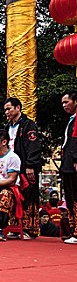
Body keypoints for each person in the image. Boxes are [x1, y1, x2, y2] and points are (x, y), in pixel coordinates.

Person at [4, 97, 42, 238]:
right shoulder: (7, 127)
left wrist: (31, 165)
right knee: (14, 196)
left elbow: (33, 146)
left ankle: (30, 230)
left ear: (18, 108)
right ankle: (15, 228)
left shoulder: (28, 125)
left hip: (26, 167)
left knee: (29, 197)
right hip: (13, 168)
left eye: (9, 109)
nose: (7, 112)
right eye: (5, 110)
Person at [60, 90, 77, 244]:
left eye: (67, 102)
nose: (64, 105)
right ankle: (73, 230)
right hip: (67, 165)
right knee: (70, 199)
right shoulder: (72, 120)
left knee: (75, 198)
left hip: (73, 164)